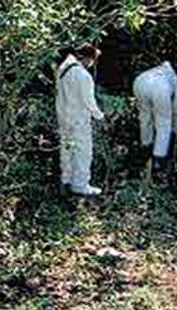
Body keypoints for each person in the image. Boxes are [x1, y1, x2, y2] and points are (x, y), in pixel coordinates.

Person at [56, 44, 105, 197]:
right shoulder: (83, 75)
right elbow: (89, 102)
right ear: (88, 58)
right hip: (79, 119)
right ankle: (80, 185)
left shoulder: (62, 69)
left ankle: (66, 181)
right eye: (93, 60)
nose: (92, 64)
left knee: (67, 151)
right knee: (83, 153)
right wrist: (100, 116)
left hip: (63, 118)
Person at [132, 61, 177, 176]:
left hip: (140, 81)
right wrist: (174, 131)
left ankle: (145, 151)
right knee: (164, 123)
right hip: (160, 88)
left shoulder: (159, 70)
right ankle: (158, 162)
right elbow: (176, 110)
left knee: (145, 118)